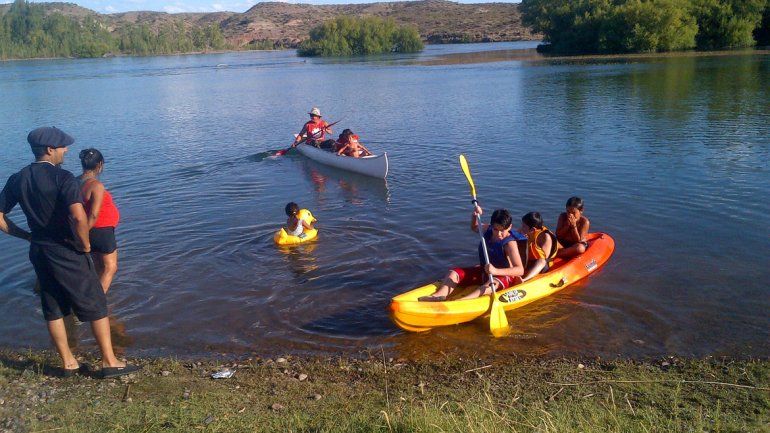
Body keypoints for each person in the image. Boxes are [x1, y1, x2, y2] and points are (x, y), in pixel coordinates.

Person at [0, 127, 140, 378]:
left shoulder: (17, 178)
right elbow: (78, 217)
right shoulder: (62, 177)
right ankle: (109, 361)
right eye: (63, 147)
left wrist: (25, 235)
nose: (65, 151)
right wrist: (84, 245)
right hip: (65, 248)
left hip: (39, 249)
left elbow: (0, 216)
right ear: (50, 150)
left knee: (53, 306)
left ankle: (68, 363)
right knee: (95, 301)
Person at [419, 206, 525, 302]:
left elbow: (520, 270)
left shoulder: (510, 244)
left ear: (509, 227)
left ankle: (463, 301)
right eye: (495, 229)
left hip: (502, 276)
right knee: (454, 273)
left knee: (490, 284)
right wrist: (475, 216)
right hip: (485, 271)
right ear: (492, 226)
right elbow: (475, 227)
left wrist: (495, 271)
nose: (499, 234)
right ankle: (438, 296)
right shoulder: (488, 229)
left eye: (502, 230)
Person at [77, 149, 120, 293]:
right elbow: (94, 214)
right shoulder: (96, 185)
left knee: (98, 266)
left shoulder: (75, 182)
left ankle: (90, 294)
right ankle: (97, 302)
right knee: (110, 267)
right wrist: (84, 232)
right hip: (101, 230)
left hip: (90, 230)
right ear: (100, 165)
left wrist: (83, 232)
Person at [519, 212, 559, 281]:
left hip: (541, 266)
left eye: (524, 226)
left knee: (542, 261)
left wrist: (527, 243)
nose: (521, 228)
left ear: (533, 229)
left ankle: (524, 280)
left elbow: (545, 259)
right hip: (528, 261)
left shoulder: (545, 237)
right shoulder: (525, 232)